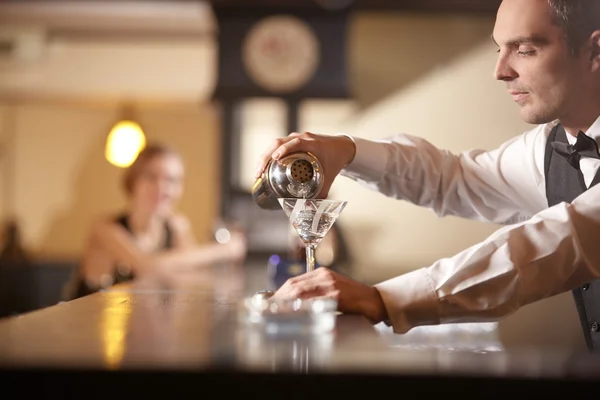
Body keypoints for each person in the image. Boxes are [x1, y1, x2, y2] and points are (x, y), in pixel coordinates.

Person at [255, 0, 600, 352]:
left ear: (594, 50)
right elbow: (452, 178)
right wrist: (347, 151)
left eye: (525, 50)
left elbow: (559, 241)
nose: (500, 71)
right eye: (500, 49)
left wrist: (383, 299)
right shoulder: (550, 147)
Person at [68, 142, 247, 299]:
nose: (162, 187)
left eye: (172, 180)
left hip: (138, 328)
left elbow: (191, 279)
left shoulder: (176, 228)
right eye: (151, 177)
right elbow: (146, 266)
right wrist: (223, 250)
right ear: (133, 181)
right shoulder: (105, 228)